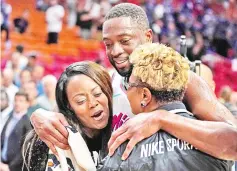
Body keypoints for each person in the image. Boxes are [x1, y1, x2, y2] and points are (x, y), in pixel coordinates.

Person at [31, 3, 237, 161]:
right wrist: (39, 116)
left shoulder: (181, 78)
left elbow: (233, 140)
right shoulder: (106, 83)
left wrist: (161, 119)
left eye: (125, 41)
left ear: (147, 37)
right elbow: (63, 115)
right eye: (108, 44)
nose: (116, 51)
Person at [98, 43, 234, 171]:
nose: (127, 92)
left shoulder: (125, 147)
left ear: (145, 95)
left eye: (129, 85)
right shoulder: (215, 140)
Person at [22, 61, 113, 170]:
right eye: (81, 101)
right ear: (68, 106)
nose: (92, 103)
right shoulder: (50, 138)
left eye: (97, 94)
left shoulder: (123, 125)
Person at [1, 91, 32, 171]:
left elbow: (26, 149)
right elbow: (3, 140)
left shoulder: (28, 122)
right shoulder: (10, 118)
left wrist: (10, 167)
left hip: (14, 167)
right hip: (3, 163)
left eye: (21, 101)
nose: (17, 103)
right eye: (15, 100)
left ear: (27, 103)